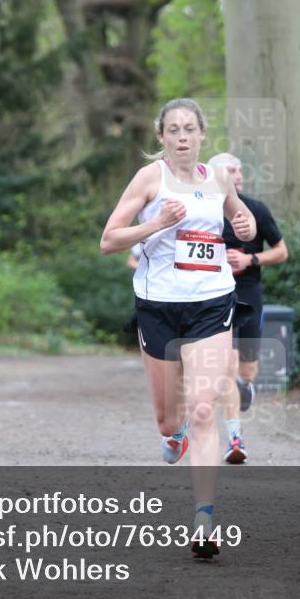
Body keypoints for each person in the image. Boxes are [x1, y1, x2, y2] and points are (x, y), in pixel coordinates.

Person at [100, 98, 256, 558]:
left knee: (204, 409)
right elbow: (109, 240)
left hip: (211, 302)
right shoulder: (150, 179)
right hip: (159, 307)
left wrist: (245, 227)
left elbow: (241, 220)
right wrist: (157, 224)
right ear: (161, 136)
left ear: (202, 134)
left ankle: (204, 520)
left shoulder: (219, 178)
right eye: (174, 130)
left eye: (190, 128)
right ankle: (174, 434)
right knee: (170, 419)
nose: (183, 137)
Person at [207, 153, 289, 465]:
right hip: (216, 295)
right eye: (231, 170)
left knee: (246, 370)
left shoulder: (256, 210)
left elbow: (282, 252)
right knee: (227, 364)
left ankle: (245, 386)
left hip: (249, 292)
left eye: (240, 170)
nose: (238, 175)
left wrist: (250, 259)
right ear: (215, 175)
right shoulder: (205, 211)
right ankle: (235, 438)